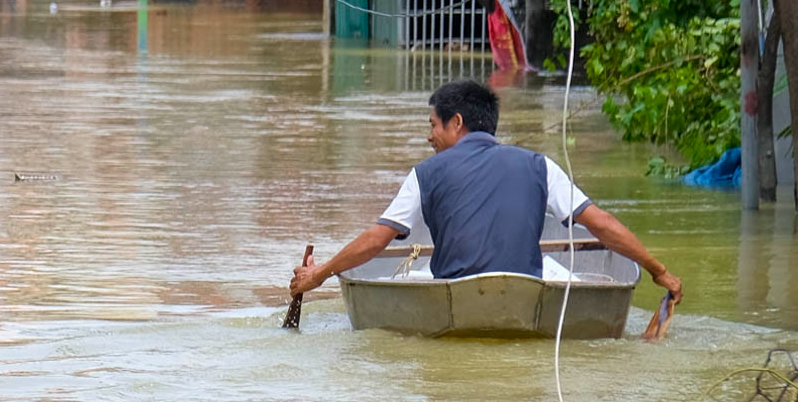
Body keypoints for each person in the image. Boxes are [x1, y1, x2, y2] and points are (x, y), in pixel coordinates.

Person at [289, 80, 683, 302]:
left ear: (456, 123)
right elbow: (602, 224)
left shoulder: (425, 174)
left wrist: (319, 275)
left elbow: (378, 239)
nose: (429, 137)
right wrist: (658, 271)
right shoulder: (539, 165)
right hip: (528, 291)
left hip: (453, 293)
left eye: (433, 126)